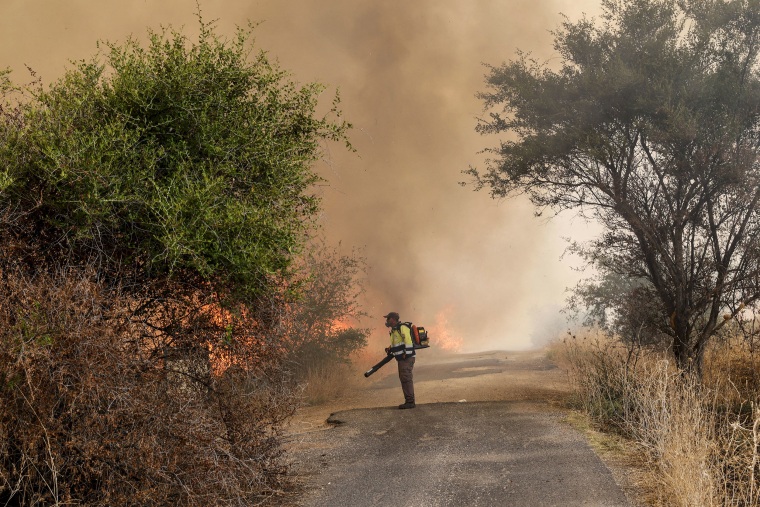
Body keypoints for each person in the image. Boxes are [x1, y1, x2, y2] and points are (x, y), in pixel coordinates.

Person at [383, 312, 416, 409]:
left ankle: (410, 402)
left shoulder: (402, 327)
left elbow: (408, 340)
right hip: (401, 359)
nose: (387, 321)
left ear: (393, 319)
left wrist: (407, 353)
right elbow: (397, 343)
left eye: (388, 319)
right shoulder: (394, 330)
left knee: (406, 378)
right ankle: (409, 400)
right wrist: (390, 348)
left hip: (406, 358)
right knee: (404, 378)